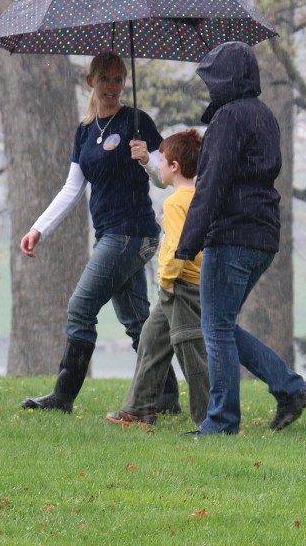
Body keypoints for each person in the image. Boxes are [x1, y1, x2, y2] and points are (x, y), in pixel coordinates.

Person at [19, 51, 178, 414]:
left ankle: (63, 397)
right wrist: (38, 229)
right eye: (105, 78)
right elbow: (72, 189)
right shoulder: (85, 132)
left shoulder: (137, 122)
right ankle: (167, 399)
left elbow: (165, 177)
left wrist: (147, 159)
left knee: (80, 308)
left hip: (132, 233)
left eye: (119, 79)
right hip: (110, 234)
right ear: (90, 81)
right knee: (139, 322)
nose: (112, 86)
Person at [174, 41, 306, 435]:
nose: (209, 88)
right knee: (220, 323)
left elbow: (211, 186)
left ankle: (221, 422)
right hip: (263, 236)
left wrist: (186, 245)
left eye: (212, 80)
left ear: (226, 80)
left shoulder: (228, 119)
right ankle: (289, 388)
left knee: (216, 328)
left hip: (233, 235)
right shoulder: (264, 116)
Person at [107, 129, 209, 428]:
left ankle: (210, 420)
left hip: (181, 286)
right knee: (152, 340)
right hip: (180, 286)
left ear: (174, 167)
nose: (159, 165)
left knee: (191, 352)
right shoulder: (200, 196)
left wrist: (166, 279)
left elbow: (179, 248)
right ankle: (138, 409)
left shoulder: (176, 202)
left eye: (161, 160)